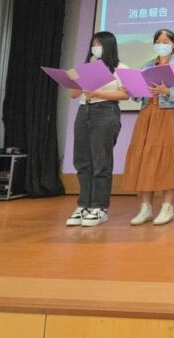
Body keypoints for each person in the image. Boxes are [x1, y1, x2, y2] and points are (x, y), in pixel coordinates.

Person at [123, 29, 174, 226]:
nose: (162, 45)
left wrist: (167, 91)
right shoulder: (146, 66)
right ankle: (145, 207)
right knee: (145, 158)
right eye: (159, 41)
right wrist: (132, 90)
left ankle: (167, 207)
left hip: (169, 115)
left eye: (166, 41)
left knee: (168, 158)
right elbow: (139, 96)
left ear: (173, 44)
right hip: (147, 114)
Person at [66, 32, 128, 228]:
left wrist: (98, 92)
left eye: (99, 44)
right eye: (93, 44)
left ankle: (100, 207)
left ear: (109, 46)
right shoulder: (85, 68)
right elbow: (74, 94)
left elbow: (124, 95)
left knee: (101, 161)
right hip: (84, 111)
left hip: (106, 111)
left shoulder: (120, 68)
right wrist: (74, 78)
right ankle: (83, 205)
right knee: (82, 160)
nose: (95, 47)